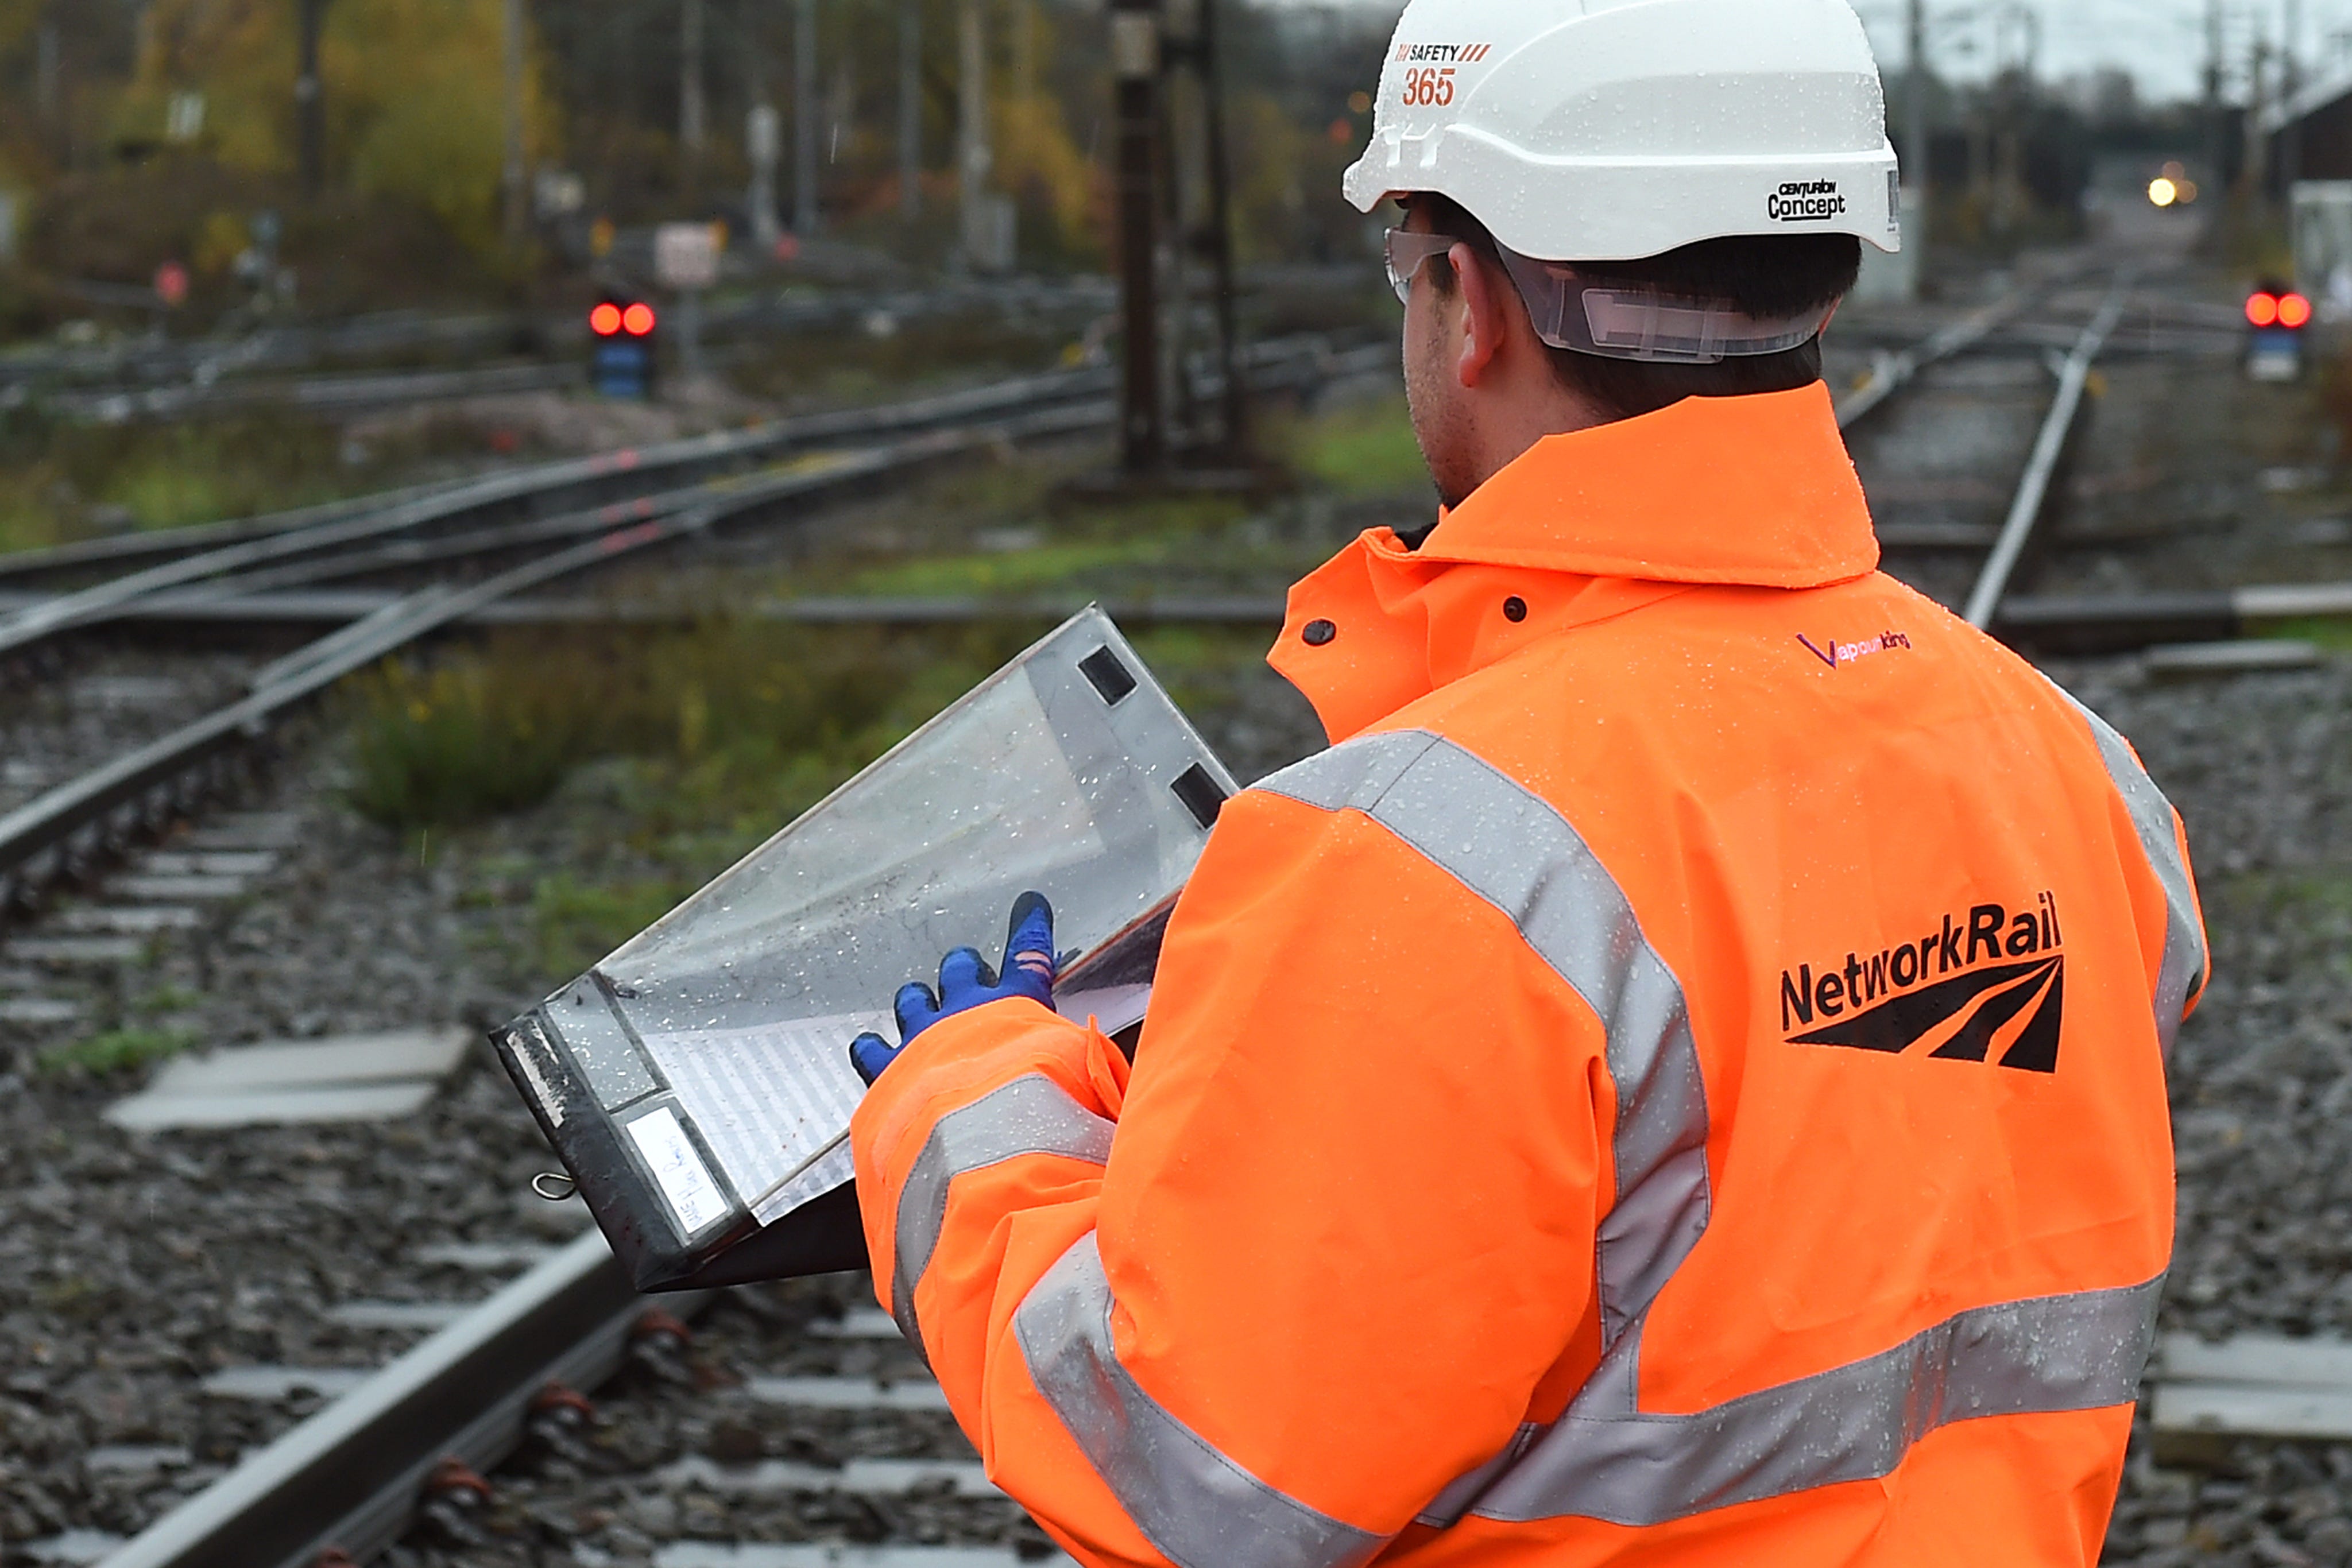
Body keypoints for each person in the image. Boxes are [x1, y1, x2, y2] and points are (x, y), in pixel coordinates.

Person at [845, 0, 2204, 1561]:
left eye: (1409, 265)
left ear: (1467, 301)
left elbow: (1191, 1469)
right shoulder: (2081, 776)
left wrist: (962, 1096)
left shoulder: (1425, 859)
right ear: (1821, 281)